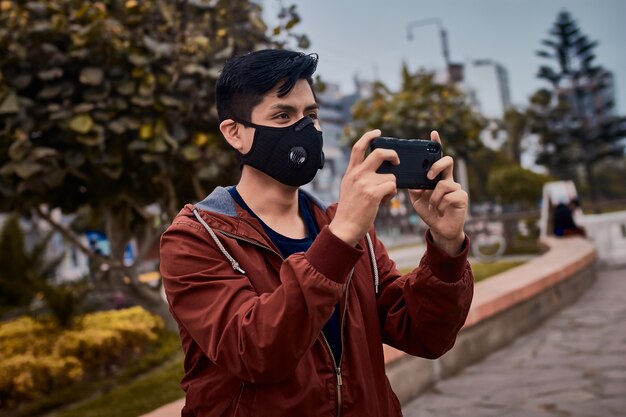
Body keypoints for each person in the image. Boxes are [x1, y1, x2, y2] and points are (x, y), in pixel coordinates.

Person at [159, 49, 474, 417]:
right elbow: (256, 350)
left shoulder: (347, 228)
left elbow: (424, 334)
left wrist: (446, 246)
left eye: (311, 115)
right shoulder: (196, 239)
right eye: (282, 115)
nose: (306, 129)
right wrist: (340, 237)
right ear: (235, 134)